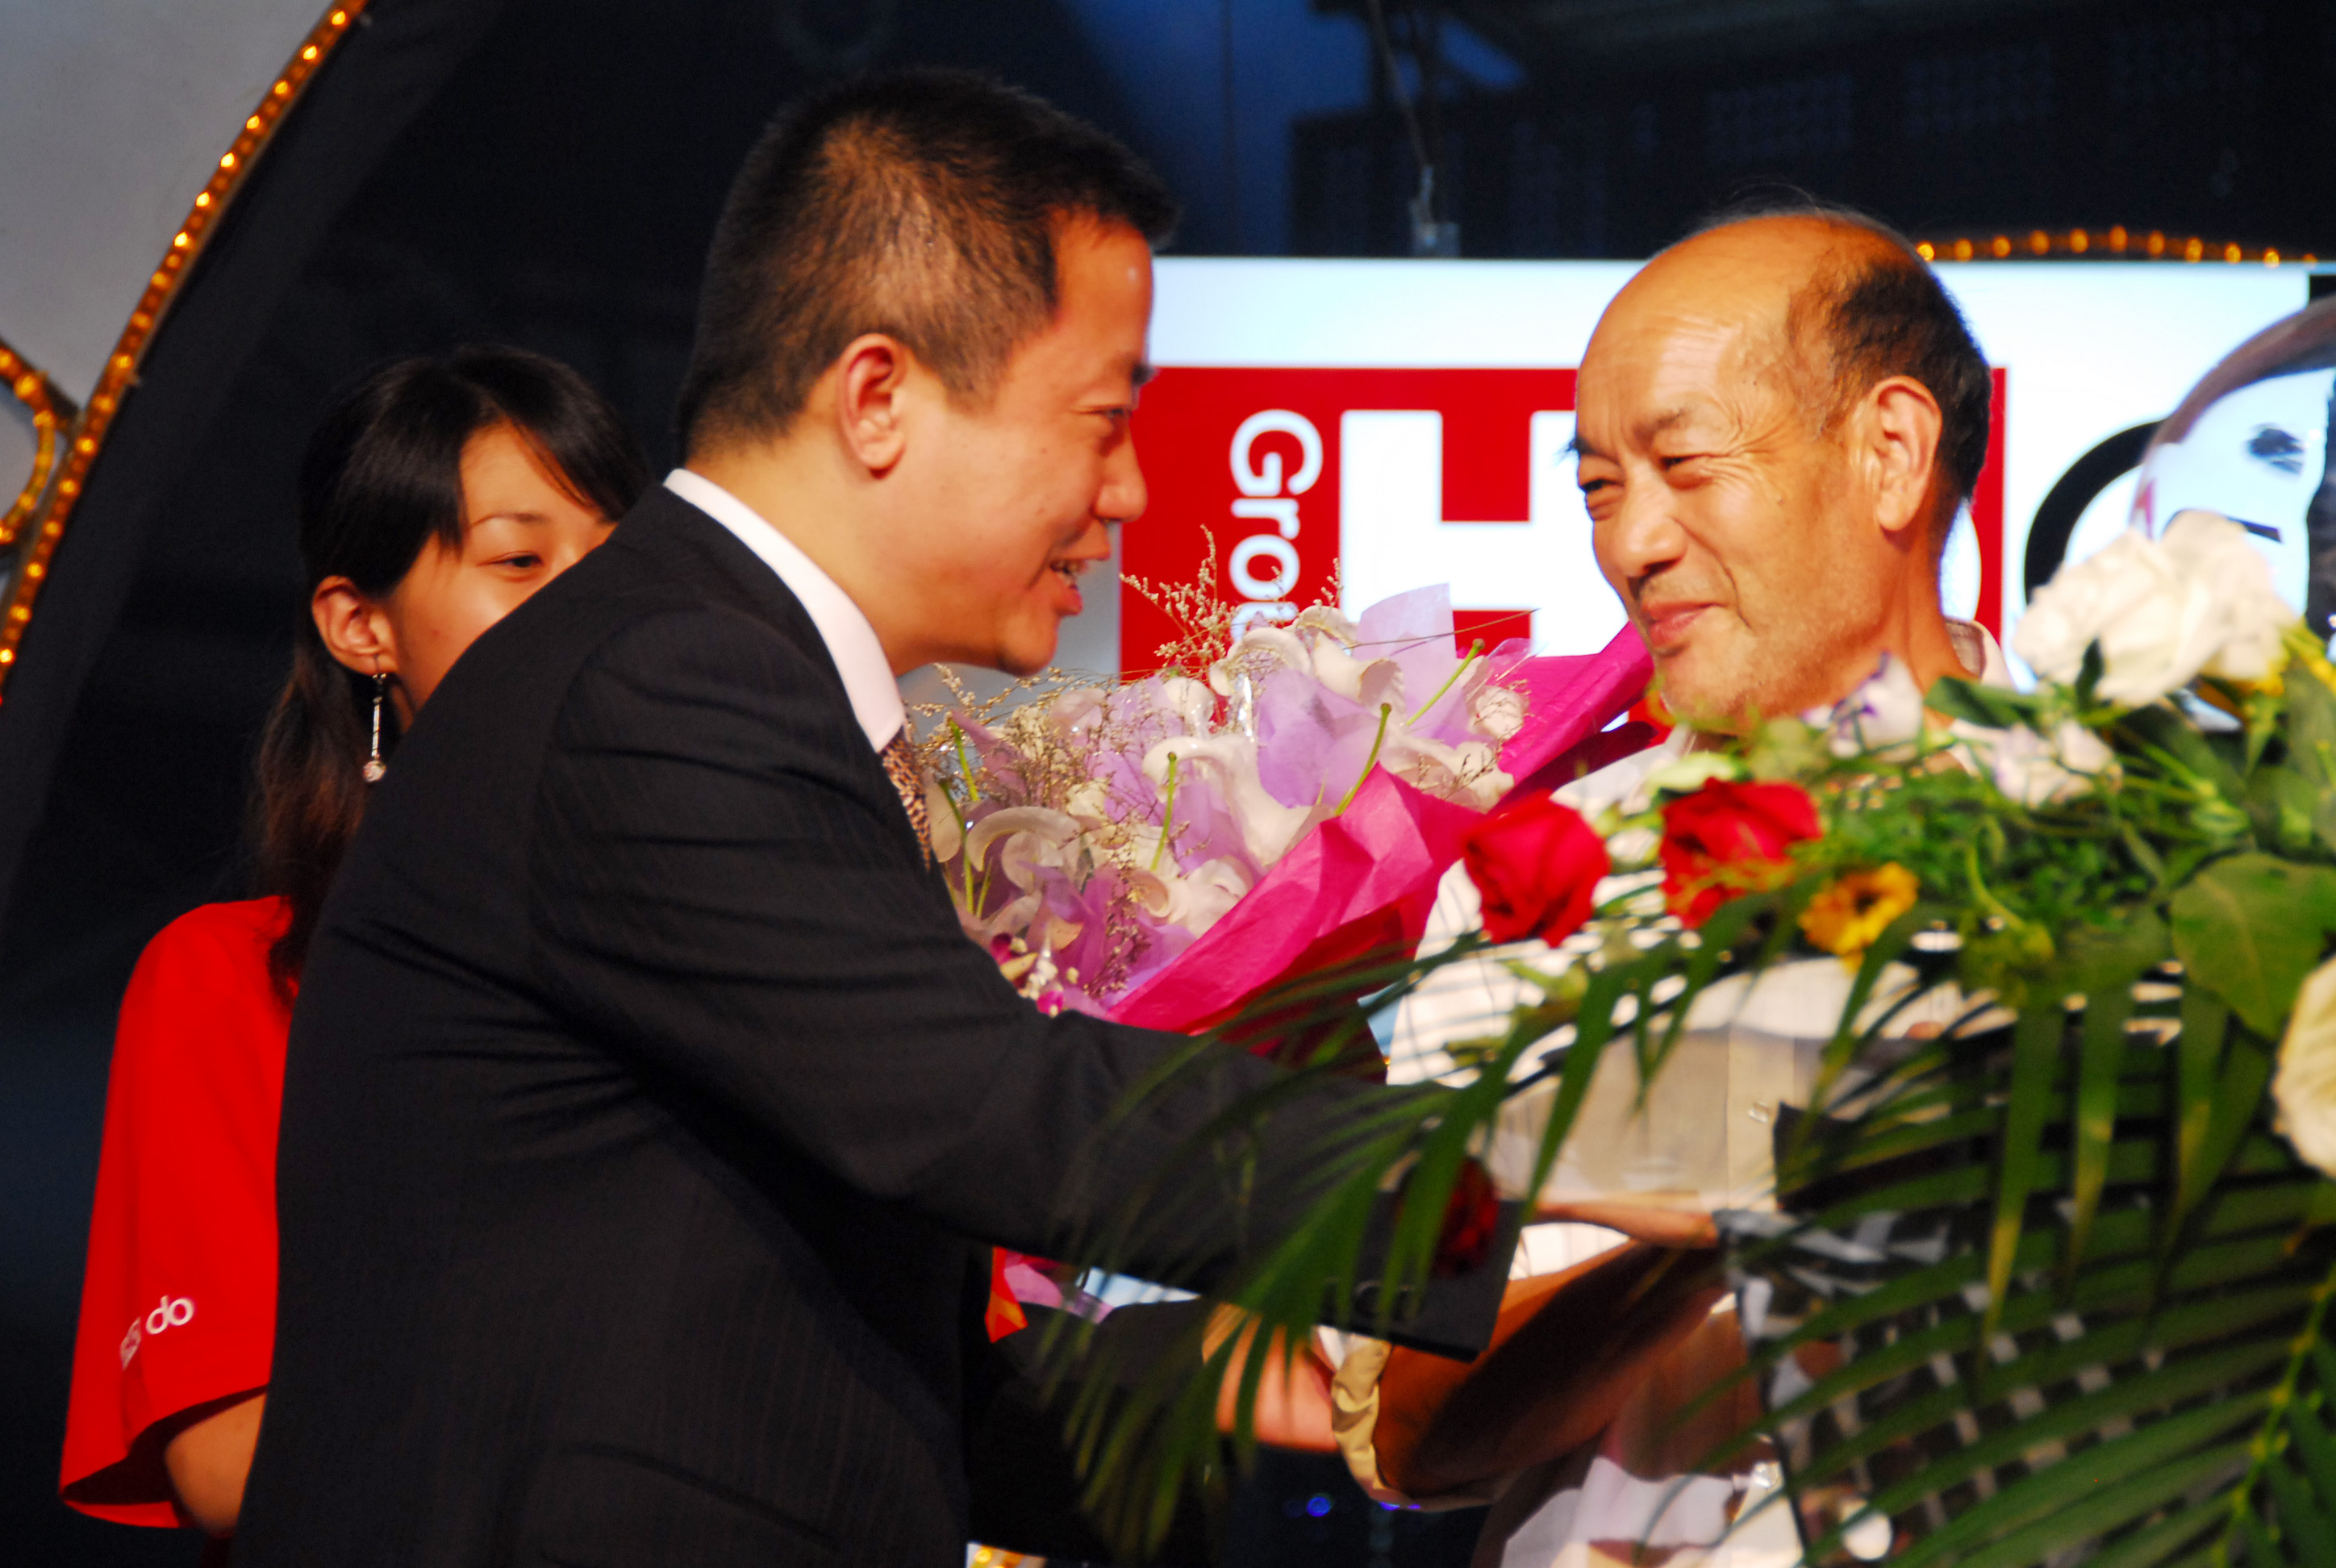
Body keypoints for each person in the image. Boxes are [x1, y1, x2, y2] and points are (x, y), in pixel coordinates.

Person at [234, 70, 1506, 1568]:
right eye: (1105, 420)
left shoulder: (712, 670)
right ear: (879, 397)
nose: (1131, 489)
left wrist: (1311, 1372)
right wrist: (1519, 1170)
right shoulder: (661, 680)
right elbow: (982, 1105)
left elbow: (829, 1362)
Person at [1341, 203, 2015, 1567]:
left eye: (1686, 466)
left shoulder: (2156, 852)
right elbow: (1408, 1439)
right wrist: (1725, 1220)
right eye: (1598, 487)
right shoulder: (1544, 883)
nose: (1631, 544)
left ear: (1891, 452)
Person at [57, 348, 646, 1549]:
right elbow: (229, 1460)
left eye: (621, 564)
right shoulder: (232, 977)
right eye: (521, 562)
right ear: (361, 625)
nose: (594, 611)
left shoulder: (740, 952)